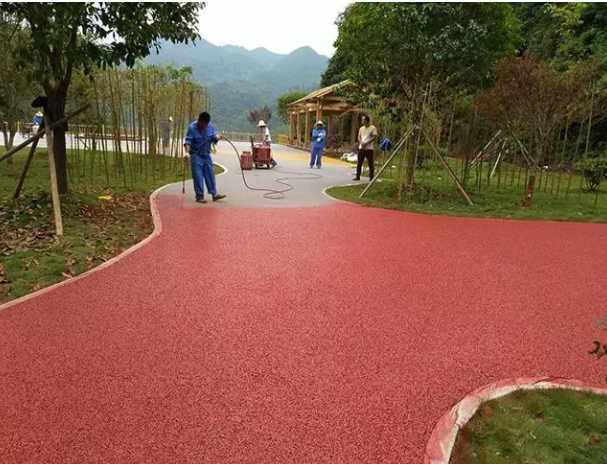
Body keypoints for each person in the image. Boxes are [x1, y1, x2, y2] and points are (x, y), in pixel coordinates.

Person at [184, 112, 226, 204]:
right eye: (202, 124)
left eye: (206, 125)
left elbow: (213, 138)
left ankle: (214, 194)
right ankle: (199, 196)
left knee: (210, 173)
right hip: (195, 154)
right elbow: (188, 142)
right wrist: (187, 153)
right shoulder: (192, 128)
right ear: (199, 121)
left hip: (206, 154)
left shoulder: (210, 127)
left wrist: (217, 137)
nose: (204, 127)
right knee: (198, 175)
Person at [354, 115, 378, 181]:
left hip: (369, 148)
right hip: (361, 147)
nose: (362, 121)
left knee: (370, 163)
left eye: (363, 120)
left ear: (366, 120)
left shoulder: (372, 128)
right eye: (362, 120)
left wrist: (366, 143)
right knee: (359, 162)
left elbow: (375, 137)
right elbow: (358, 137)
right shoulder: (361, 128)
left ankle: (371, 177)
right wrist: (361, 142)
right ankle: (357, 176)